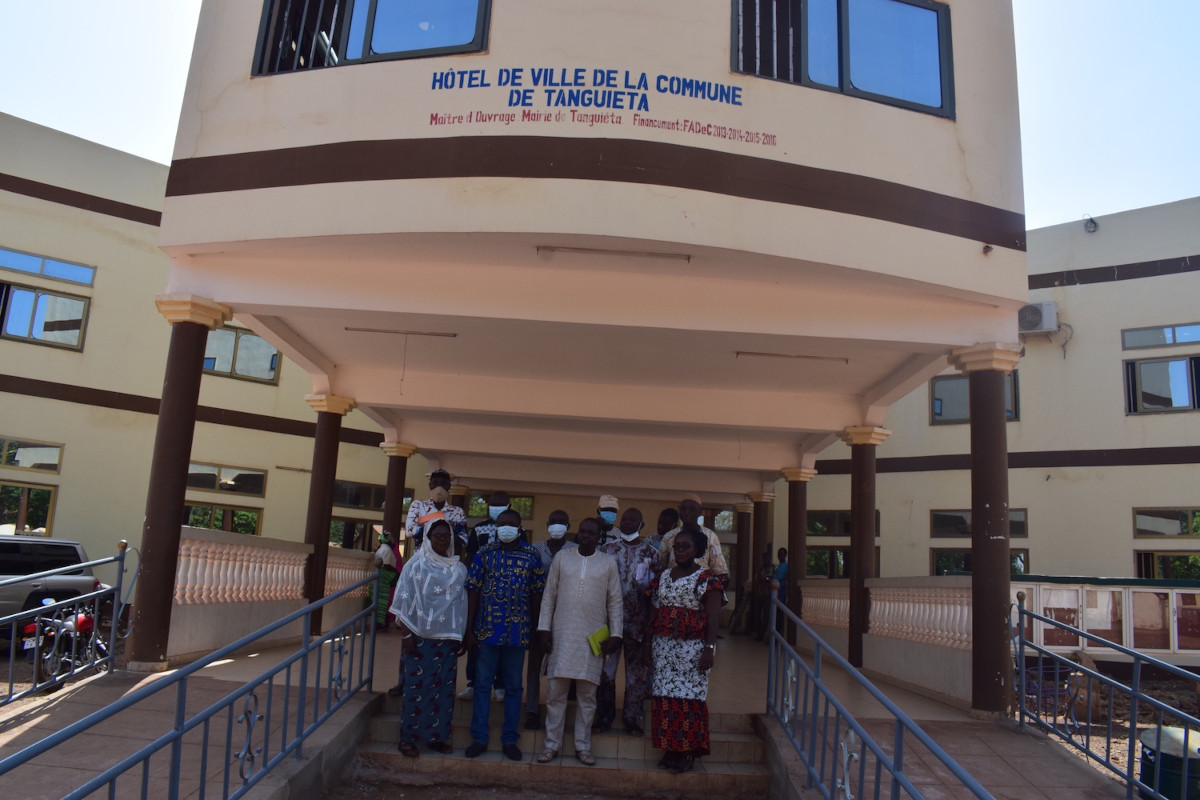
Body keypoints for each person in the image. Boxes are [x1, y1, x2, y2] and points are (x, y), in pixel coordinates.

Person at [535, 517, 623, 766]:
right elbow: (549, 595)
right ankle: (551, 745)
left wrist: (616, 634)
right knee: (555, 695)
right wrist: (544, 628)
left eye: (591, 533)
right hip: (561, 636)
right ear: (577, 535)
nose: (585, 536)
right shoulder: (563, 559)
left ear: (598, 537)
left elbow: (615, 601)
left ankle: (583, 747)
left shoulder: (608, 564)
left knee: (587, 698)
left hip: (591, 640)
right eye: (582, 532)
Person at [463, 508, 546, 761]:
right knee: (482, 685)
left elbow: (536, 594)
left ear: (520, 528)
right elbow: (473, 590)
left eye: (511, 524)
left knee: (513, 687)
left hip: (518, 632)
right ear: (496, 527)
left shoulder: (532, 555)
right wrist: (469, 629)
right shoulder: (484, 554)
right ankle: (479, 738)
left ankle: (510, 739)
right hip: (487, 630)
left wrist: (534, 629)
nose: (506, 528)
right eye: (502, 524)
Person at [388, 519, 468, 757]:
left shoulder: (458, 569)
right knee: (416, 689)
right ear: (428, 539)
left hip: (447, 640)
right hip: (419, 637)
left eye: (447, 536)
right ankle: (408, 738)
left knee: (443, 690)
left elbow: (461, 605)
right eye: (438, 536)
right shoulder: (416, 565)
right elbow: (402, 600)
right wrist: (406, 634)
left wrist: (460, 635)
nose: (443, 540)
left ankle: (438, 737)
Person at [648, 528, 722, 774]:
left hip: (692, 650)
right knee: (665, 699)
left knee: (688, 701)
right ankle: (670, 749)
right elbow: (654, 610)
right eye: (677, 546)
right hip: (663, 647)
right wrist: (648, 645)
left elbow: (713, 619)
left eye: (686, 546)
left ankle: (687, 752)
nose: (680, 550)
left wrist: (709, 650)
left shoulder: (707, 579)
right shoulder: (663, 576)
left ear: (697, 550)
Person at [595, 507, 660, 736]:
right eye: (625, 519)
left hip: (638, 625)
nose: (628, 522)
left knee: (637, 675)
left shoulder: (652, 553)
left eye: (634, 519)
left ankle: (633, 719)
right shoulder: (606, 550)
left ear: (642, 525)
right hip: (609, 625)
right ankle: (603, 717)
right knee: (605, 673)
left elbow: (655, 592)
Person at [525, 509, 577, 730]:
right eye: (553, 522)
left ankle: (559, 712)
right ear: (547, 524)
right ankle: (532, 710)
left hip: (565, 615)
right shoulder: (535, 549)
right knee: (535, 665)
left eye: (562, 522)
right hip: (538, 613)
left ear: (568, 525)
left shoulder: (574, 550)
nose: (557, 525)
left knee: (563, 665)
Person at [460, 489, 512, 700]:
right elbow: (470, 555)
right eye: (493, 503)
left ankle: (500, 684)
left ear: (509, 506)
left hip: (505, 592)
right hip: (480, 591)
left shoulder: (516, 529)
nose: (496, 507)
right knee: (475, 636)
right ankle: (473, 682)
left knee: (501, 637)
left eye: (501, 504)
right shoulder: (479, 528)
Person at [659, 494, 730, 590]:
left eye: (692, 509)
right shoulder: (669, 536)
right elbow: (661, 567)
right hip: (674, 589)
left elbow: (720, 571)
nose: (687, 512)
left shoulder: (710, 536)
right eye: (683, 509)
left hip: (701, 590)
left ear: (700, 512)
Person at [405, 469, 467, 550]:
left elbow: (464, 541)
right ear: (430, 485)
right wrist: (440, 531)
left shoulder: (457, 512)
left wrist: (438, 532)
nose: (439, 487)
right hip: (422, 559)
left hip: (447, 560)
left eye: (443, 483)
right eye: (435, 483)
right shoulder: (418, 505)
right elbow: (409, 531)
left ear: (449, 486)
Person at [373, 530, 402, 630]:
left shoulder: (382, 549)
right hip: (385, 579)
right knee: (383, 601)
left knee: (381, 600)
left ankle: (380, 623)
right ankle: (380, 623)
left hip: (381, 578)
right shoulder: (387, 550)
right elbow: (386, 565)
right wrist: (395, 571)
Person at [771, 547, 789, 636]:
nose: (780, 556)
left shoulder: (786, 566)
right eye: (779, 554)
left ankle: (778, 636)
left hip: (781, 592)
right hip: (774, 593)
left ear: (785, 555)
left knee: (779, 616)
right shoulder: (778, 566)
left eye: (782, 554)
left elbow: (787, 578)